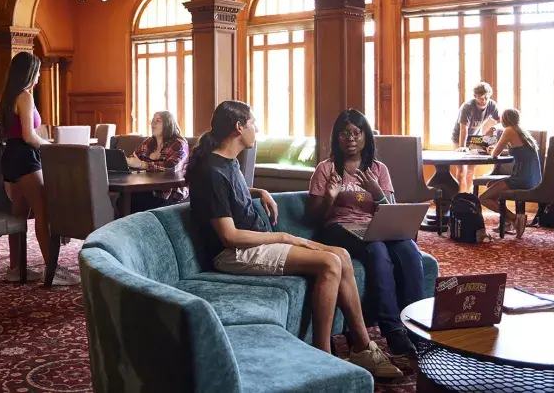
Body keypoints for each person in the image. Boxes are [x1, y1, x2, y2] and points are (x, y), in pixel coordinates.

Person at [187, 100, 401, 378]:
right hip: (234, 253)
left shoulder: (227, 162)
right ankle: (323, 355)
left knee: (343, 256)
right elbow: (229, 237)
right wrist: (285, 236)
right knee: (329, 263)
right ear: (239, 127)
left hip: (255, 243)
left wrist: (258, 191)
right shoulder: (212, 171)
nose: (257, 129)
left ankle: (362, 346)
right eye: (253, 124)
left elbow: (229, 192)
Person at [309, 109, 426, 357]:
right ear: (336, 138)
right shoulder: (326, 168)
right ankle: (393, 331)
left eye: (356, 133)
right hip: (339, 228)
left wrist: (377, 193)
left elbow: (392, 210)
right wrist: (330, 198)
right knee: (378, 250)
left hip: (377, 225)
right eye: (344, 133)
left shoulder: (378, 169)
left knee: (409, 250)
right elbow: (314, 218)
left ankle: (415, 329)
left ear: (365, 137)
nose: (350, 138)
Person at [0, 51, 78, 286]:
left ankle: (15, 268)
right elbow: (29, 136)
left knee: (19, 214)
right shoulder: (25, 97)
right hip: (25, 157)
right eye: (37, 72)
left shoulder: (6, 96)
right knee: (44, 212)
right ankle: (52, 269)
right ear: (29, 73)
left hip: (10, 157)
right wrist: (52, 144)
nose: (39, 78)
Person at [477, 108, 542, 239]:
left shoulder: (509, 130)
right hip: (533, 178)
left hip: (521, 178)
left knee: (484, 198)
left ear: (504, 119)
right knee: (491, 184)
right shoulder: (521, 131)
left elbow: (495, 154)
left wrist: (491, 150)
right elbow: (518, 151)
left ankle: (514, 218)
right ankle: (508, 221)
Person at [125, 111, 190, 212]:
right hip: (146, 189)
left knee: (135, 202)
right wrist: (127, 161)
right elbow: (134, 158)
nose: (153, 124)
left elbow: (171, 168)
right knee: (124, 200)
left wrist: (142, 165)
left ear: (168, 124)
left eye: (158, 121)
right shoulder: (149, 142)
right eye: (152, 121)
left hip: (171, 193)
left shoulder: (179, 143)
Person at [451, 82, 500, 193]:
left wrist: (494, 138)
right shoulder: (468, 107)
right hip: (459, 137)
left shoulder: (492, 105)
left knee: (471, 170)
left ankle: (469, 196)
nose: (484, 100)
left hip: (475, 137)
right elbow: (464, 129)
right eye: (481, 98)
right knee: (461, 170)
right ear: (475, 97)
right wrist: (462, 147)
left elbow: (500, 122)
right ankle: (460, 196)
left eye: (486, 97)